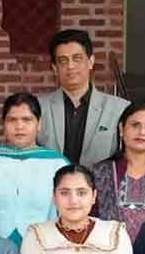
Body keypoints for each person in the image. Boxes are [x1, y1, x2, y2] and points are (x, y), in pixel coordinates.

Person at [0, 92, 68, 245]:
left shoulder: (57, 164)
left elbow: (66, 215)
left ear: (39, 124)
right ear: (3, 124)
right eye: (12, 120)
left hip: (42, 247)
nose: (19, 126)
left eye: (27, 119)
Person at [21, 164, 133, 254]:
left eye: (81, 193)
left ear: (94, 196)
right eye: (64, 193)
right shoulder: (36, 235)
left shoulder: (115, 233)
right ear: (54, 197)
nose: (73, 200)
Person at [37, 29, 130, 167]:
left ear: (91, 61)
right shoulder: (38, 107)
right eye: (63, 61)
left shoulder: (119, 109)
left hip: (99, 180)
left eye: (77, 58)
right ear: (55, 68)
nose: (70, 66)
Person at [89, 100, 145, 240]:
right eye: (135, 125)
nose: (142, 132)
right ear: (121, 129)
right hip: (107, 251)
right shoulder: (100, 173)